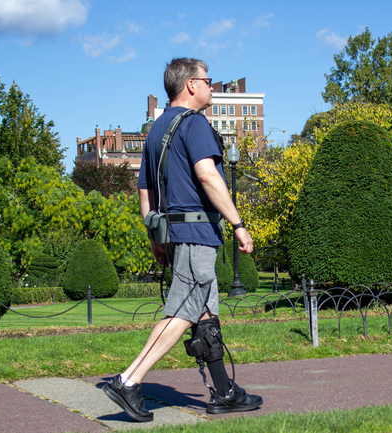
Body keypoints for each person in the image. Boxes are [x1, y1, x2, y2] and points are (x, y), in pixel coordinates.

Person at [102, 57, 263, 422]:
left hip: (174, 234)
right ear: (191, 85)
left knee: (205, 314)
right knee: (184, 310)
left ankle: (223, 393)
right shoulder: (194, 124)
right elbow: (208, 176)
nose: (211, 86)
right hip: (195, 233)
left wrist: (155, 238)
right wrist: (237, 223)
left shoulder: (157, 129)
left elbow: (145, 192)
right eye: (208, 80)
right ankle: (128, 380)